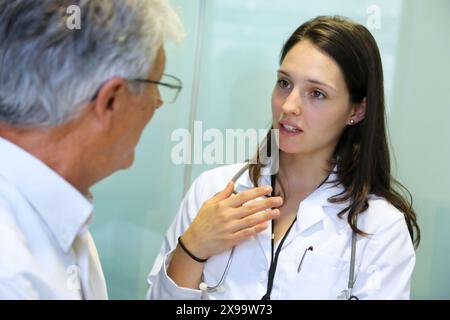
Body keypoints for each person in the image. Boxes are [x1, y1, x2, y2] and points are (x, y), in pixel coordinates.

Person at [147, 15, 420, 300]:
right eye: (284, 83)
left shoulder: (380, 228)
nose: (288, 106)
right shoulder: (214, 190)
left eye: (316, 93)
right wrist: (193, 247)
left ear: (357, 111)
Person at [0, 0, 185, 299]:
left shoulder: (62, 217)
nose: (158, 102)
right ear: (111, 100)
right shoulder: (10, 272)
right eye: (154, 84)